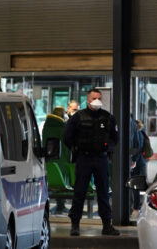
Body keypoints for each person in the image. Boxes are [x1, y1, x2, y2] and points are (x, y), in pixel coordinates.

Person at [63, 88, 120, 236]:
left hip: (101, 158)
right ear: (88, 100)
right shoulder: (78, 117)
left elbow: (115, 138)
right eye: (94, 98)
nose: (97, 101)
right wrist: (77, 149)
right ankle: (75, 225)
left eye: (99, 98)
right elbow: (67, 137)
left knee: (103, 193)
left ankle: (107, 225)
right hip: (84, 158)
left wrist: (108, 149)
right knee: (80, 192)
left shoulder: (108, 117)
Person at [42, 106, 71, 214]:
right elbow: (67, 144)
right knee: (62, 183)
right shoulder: (62, 127)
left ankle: (52, 205)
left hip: (49, 159)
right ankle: (61, 205)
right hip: (62, 159)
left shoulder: (46, 126)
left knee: (52, 182)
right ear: (61, 115)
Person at [130, 119, 147, 219]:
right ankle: (135, 208)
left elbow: (138, 148)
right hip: (140, 162)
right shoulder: (141, 132)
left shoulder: (138, 134)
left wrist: (134, 161)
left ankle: (136, 209)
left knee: (135, 186)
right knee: (135, 186)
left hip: (137, 163)